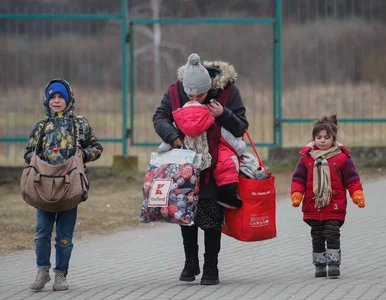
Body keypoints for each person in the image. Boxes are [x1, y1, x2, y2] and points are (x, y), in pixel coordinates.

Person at [153, 53, 248, 285]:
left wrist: (222, 114)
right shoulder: (175, 91)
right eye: (190, 94)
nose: (194, 98)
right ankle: (190, 262)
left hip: (215, 165)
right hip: (186, 163)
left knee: (211, 215)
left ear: (210, 89)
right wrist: (174, 138)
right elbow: (159, 117)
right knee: (186, 213)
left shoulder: (228, 92)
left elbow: (241, 127)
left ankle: (211, 267)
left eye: (200, 94)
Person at [24, 78, 103, 291]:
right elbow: (28, 152)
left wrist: (82, 155)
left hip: (70, 187)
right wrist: (38, 160)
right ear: (47, 100)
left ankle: (61, 274)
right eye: (53, 97)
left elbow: (97, 147)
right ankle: (42, 271)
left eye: (61, 97)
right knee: (42, 231)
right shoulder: (40, 127)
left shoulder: (80, 124)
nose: (57, 101)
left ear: (68, 100)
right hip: (44, 187)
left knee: (64, 234)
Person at [291, 113, 365, 278]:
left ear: (333, 138)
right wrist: (297, 193)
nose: (323, 140)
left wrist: (357, 193)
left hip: (334, 203)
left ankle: (333, 264)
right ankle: (319, 264)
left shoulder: (342, 158)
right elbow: (298, 179)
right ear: (314, 138)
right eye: (319, 137)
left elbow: (352, 179)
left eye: (327, 137)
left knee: (332, 233)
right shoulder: (306, 159)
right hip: (313, 204)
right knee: (317, 235)